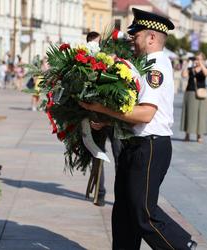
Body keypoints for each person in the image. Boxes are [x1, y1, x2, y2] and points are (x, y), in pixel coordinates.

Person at [80, 8, 197, 250]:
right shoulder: (143, 64)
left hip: (151, 146)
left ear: (152, 38)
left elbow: (146, 114)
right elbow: (134, 110)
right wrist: (109, 121)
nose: (132, 39)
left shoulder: (156, 69)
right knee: (124, 213)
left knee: (143, 213)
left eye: (137, 34)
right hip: (137, 145)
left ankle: (182, 246)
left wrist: (102, 108)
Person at [86, 31, 123, 206]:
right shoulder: (87, 65)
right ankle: (100, 194)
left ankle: (120, 196)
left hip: (113, 119)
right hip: (96, 118)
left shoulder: (117, 65)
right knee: (99, 155)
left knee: (118, 157)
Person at [181, 52, 207, 143]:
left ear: (203, 59)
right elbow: (184, 75)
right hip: (190, 92)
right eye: (196, 59)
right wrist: (187, 64)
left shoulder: (205, 68)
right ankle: (187, 134)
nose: (197, 60)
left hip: (201, 94)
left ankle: (199, 136)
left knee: (200, 115)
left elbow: (206, 73)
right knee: (189, 114)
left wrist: (201, 64)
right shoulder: (191, 68)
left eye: (199, 58)